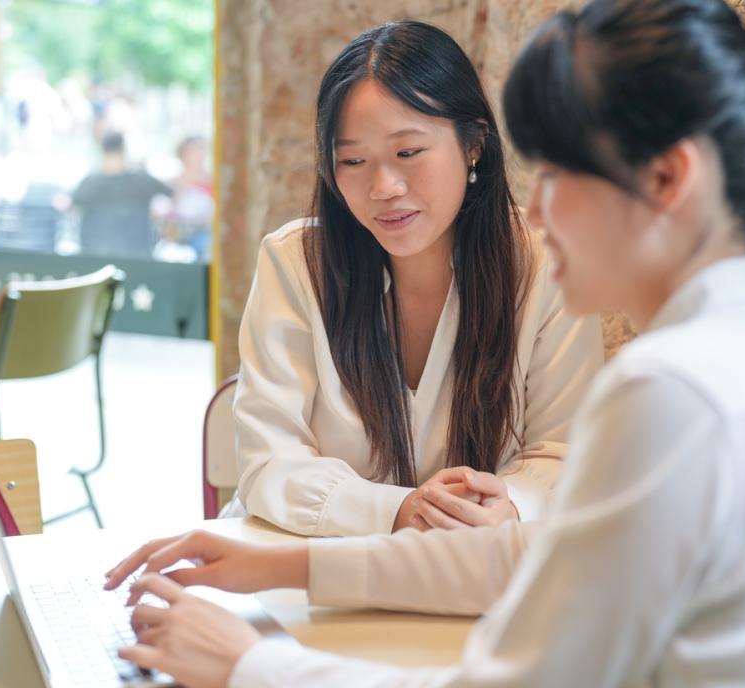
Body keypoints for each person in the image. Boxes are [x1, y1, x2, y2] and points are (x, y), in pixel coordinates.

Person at [105, 0, 745, 688]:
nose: (538, 210)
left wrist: (250, 667)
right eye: (352, 160)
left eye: (556, 175)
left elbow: (514, 685)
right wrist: (282, 564)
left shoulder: (675, 391)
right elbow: (530, 564)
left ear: (668, 177)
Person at [227, 20, 604, 536]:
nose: (383, 186)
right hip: (303, 565)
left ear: (473, 143)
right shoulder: (296, 263)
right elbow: (268, 459)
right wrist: (400, 512)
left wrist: (511, 503)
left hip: (471, 569)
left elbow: (562, 451)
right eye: (353, 160)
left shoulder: (544, 264)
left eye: (408, 152)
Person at [71, 131, 171, 258]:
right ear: (124, 150)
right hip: (138, 256)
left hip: (96, 255)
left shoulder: (89, 183)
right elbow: (171, 196)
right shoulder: (143, 180)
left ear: (102, 150)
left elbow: (70, 206)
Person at [163, 135, 215, 260]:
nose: (198, 156)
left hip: (204, 235)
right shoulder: (174, 182)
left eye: (201, 150)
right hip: (179, 235)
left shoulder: (212, 181)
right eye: (193, 151)